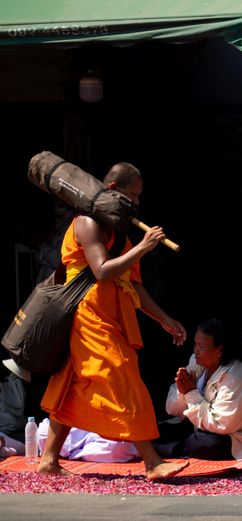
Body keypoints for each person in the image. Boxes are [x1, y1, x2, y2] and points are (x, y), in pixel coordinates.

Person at [38, 162, 188, 480]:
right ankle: (152, 462)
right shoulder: (87, 223)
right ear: (112, 189)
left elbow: (132, 285)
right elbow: (103, 270)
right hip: (85, 316)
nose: (136, 202)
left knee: (72, 386)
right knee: (124, 377)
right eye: (132, 194)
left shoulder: (118, 235)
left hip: (111, 317)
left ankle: (49, 460)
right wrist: (145, 248)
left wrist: (164, 319)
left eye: (138, 196)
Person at [161, 319, 242, 460]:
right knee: (160, 429)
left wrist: (190, 393)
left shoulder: (237, 378)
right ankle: (168, 447)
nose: (195, 350)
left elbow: (222, 425)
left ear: (219, 350)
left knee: (205, 444)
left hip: (233, 437)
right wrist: (182, 390)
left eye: (201, 346)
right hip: (200, 428)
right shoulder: (197, 363)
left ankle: (170, 450)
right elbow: (172, 410)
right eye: (195, 344)